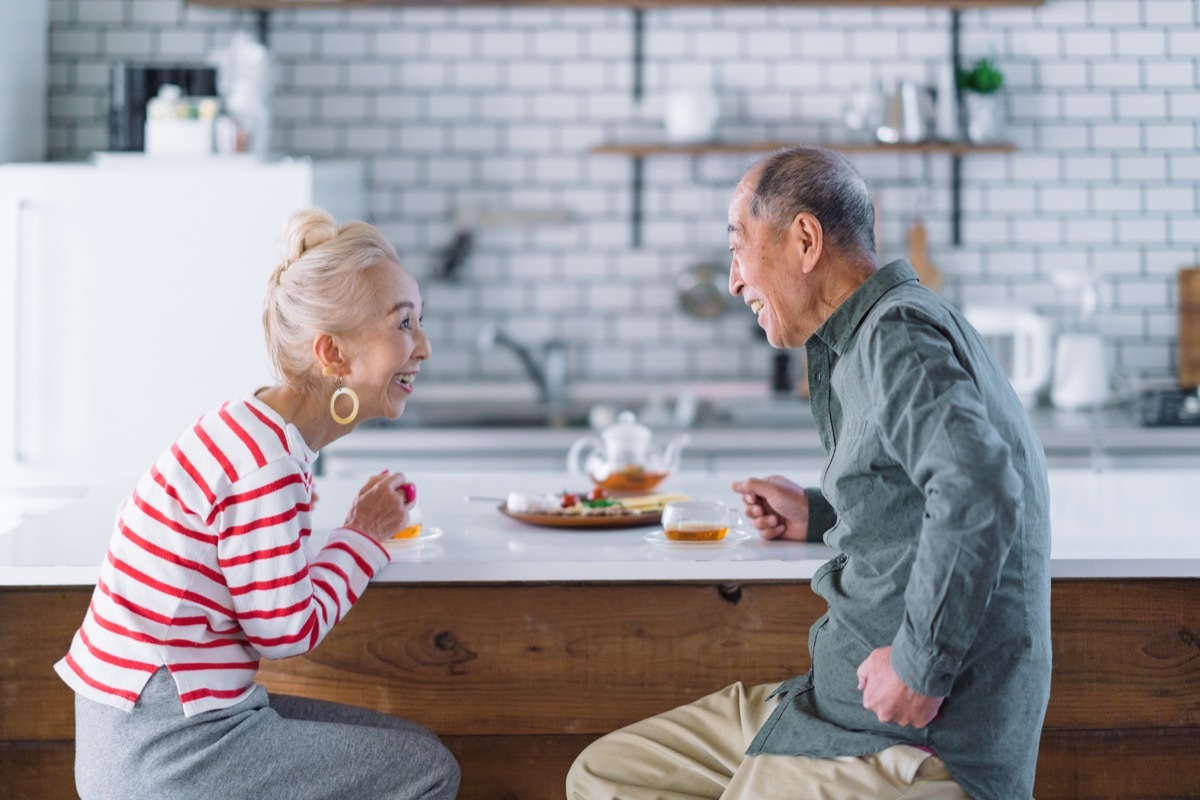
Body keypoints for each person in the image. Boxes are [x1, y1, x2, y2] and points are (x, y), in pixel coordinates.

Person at [566, 146, 1051, 800]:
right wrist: (819, 514)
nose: (734, 281)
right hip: (830, 708)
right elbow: (923, 493)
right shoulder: (871, 335)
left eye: (738, 250)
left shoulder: (896, 334)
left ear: (803, 239)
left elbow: (980, 488)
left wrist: (919, 666)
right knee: (605, 776)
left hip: (904, 742)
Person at [55, 208, 459, 800]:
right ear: (333, 354)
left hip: (159, 728)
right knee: (428, 769)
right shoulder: (265, 462)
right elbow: (286, 630)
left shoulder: (254, 430)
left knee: (411, 748)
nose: (423, 346)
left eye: (419, 321)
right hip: (168, 750)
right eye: (403, 324)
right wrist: (364, 536)